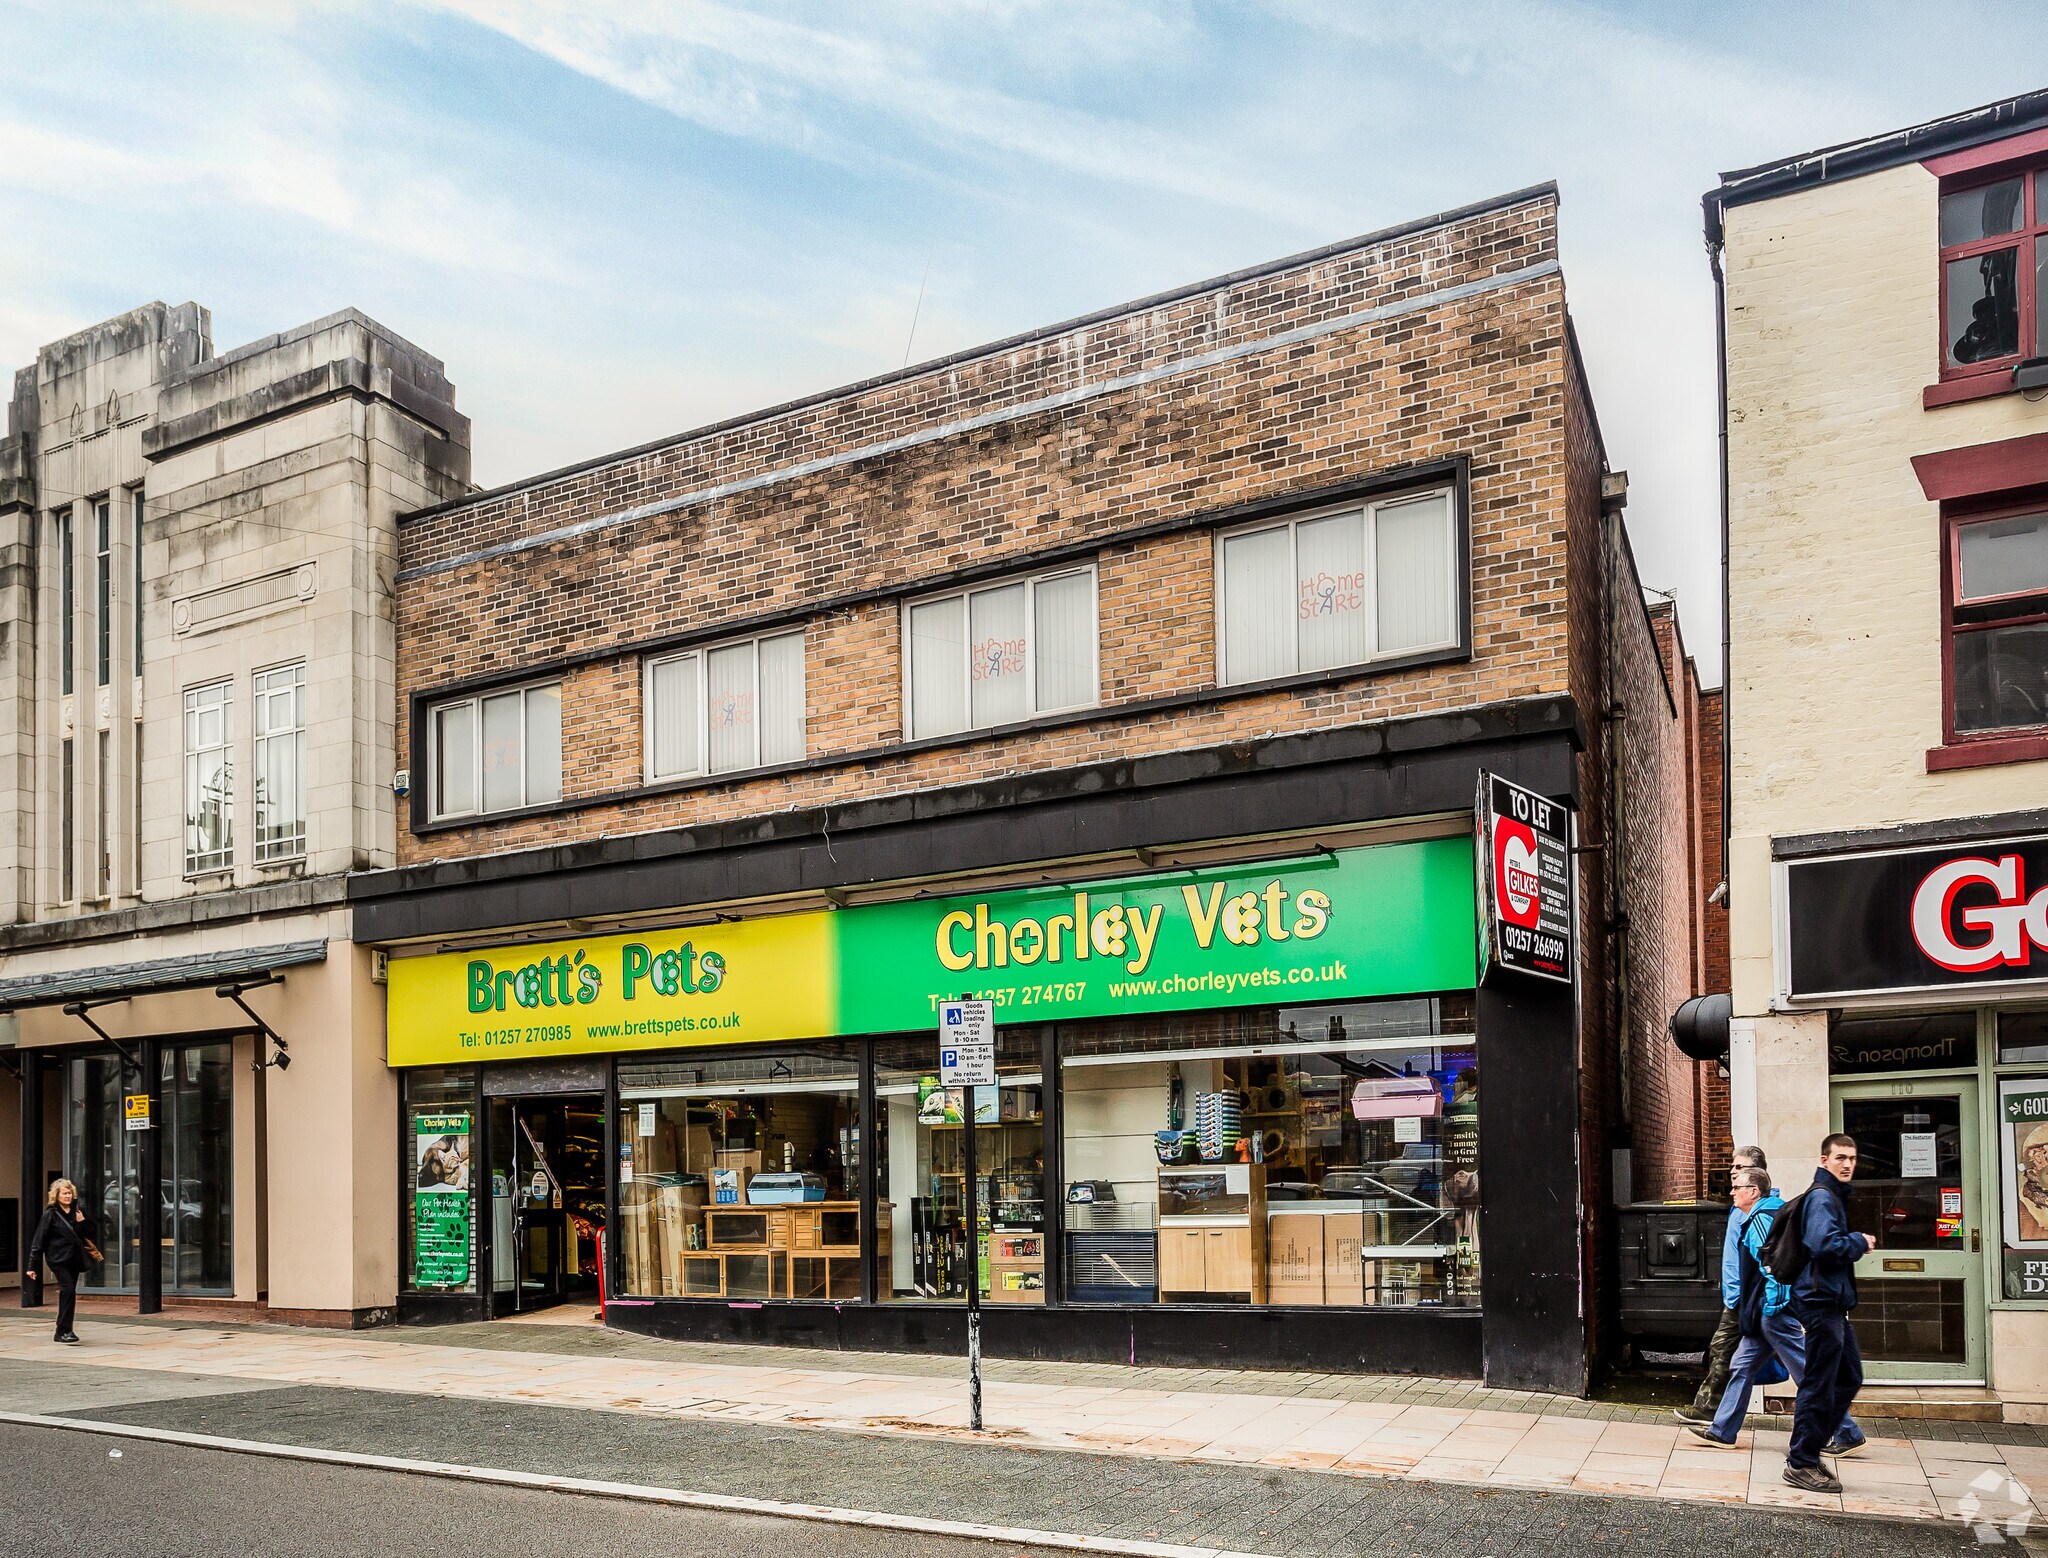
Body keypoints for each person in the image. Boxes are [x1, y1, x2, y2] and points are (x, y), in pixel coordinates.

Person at [1686, 1166, 1865, 1454]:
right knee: (1741, 1366)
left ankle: (1847, 1432)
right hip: (1763, 1313)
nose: (1731, 1192)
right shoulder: (1769, 1213)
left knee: (1806, 1372)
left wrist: (1774, 1307)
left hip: (1773, 1313)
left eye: (1737, 1187)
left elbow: (1775, 1269)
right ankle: (1722, 1430)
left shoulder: (1761, 1220)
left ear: (1753, 1192)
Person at [1782, 1133, 1876, 1493]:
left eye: (1852, 1158)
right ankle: (1801, 1461)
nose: (1848, 1164)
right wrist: (1858, 1242)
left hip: (1831, 1303)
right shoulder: (1822, 1197)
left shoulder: (1833, 1196)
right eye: (1840, 1158)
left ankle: (1811, 1447)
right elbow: (1822, 1244)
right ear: (1824, 1161)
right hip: (1819, 1303)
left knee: (1849, 1376)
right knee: (1819, 1384)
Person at [1676, 1143, 1767, 1426]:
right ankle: (1720, 1422)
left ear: (1755, 1176)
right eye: (1732, 1166)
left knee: (1723, 1350)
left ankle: (1710, 1410)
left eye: (1738, 1168)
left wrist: (1744, 1295)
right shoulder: (1740, 1206)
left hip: (1745, 1299)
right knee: (1738, 1362)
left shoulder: (1757, 1211)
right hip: (1737, 1297)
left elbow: (1766, 1260)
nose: (1732, 1172)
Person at [25, 1178, 96, 1345]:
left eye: (69, 1192)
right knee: (68, 1289)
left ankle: (62, 1331)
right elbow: (38, 1241)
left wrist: (83, 1222)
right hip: (58, 1260)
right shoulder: (50, 1214)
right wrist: (32, 1266)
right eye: (64, 1193)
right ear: (56, 1196)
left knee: (70, 1293)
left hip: (75, 1259)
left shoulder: (78, 1211)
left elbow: (92, 1233)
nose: (68, 1196)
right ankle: (64, 1330)